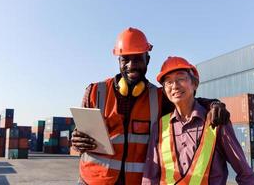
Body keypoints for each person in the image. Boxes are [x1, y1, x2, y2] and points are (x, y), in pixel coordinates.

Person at [71, 27, 230, 185]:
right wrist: (76, 140)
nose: (131, 65)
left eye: (138, 59)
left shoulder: (160, 98)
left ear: (147, 60)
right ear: (118, 61)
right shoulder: (95, 92)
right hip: (92, 181)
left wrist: (213, 104)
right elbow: (79, 138)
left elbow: (189, 101)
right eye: (125, 59)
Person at [141, 56, 254, 185]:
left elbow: (245, 174)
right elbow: (150, 178)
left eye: (181, 79)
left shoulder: (216, 120)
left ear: (195, 84)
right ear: (164, 90)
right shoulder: (160, 127)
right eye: (168, 82)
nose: (175, 86)